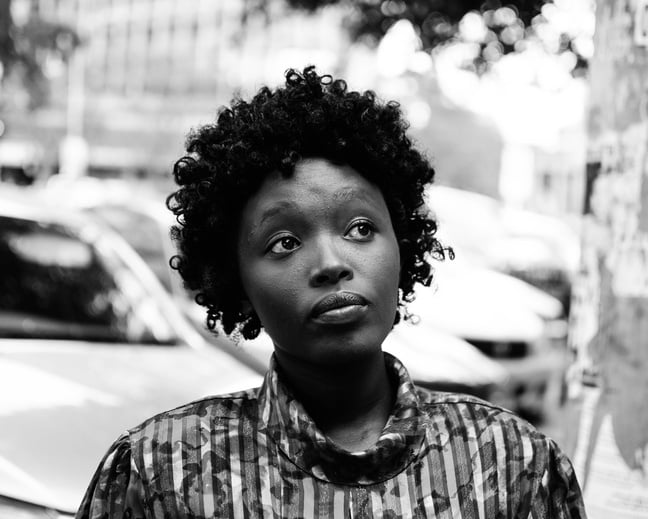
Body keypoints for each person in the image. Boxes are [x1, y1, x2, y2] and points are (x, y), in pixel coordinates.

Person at [76, 66, 587, 518]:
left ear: (403, 245)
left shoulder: (515, 464)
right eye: (284, 241)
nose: (330, 263)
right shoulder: (159, 470)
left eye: (361, 228)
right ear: (235, 280)